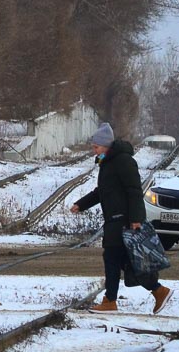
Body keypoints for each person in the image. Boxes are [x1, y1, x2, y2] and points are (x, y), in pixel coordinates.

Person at [71, 123, 173, 313]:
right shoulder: (107, 163)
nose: (94, 150)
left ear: (106, 146)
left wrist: (136, 218)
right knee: (126, 261)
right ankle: (158, 291)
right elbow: (101, 191)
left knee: (112, 257)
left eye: (96, 147)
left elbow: (134, 190)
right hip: (114, 219)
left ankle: (111, 301)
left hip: (123, 220)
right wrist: (81, 204)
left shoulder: (123, 161)